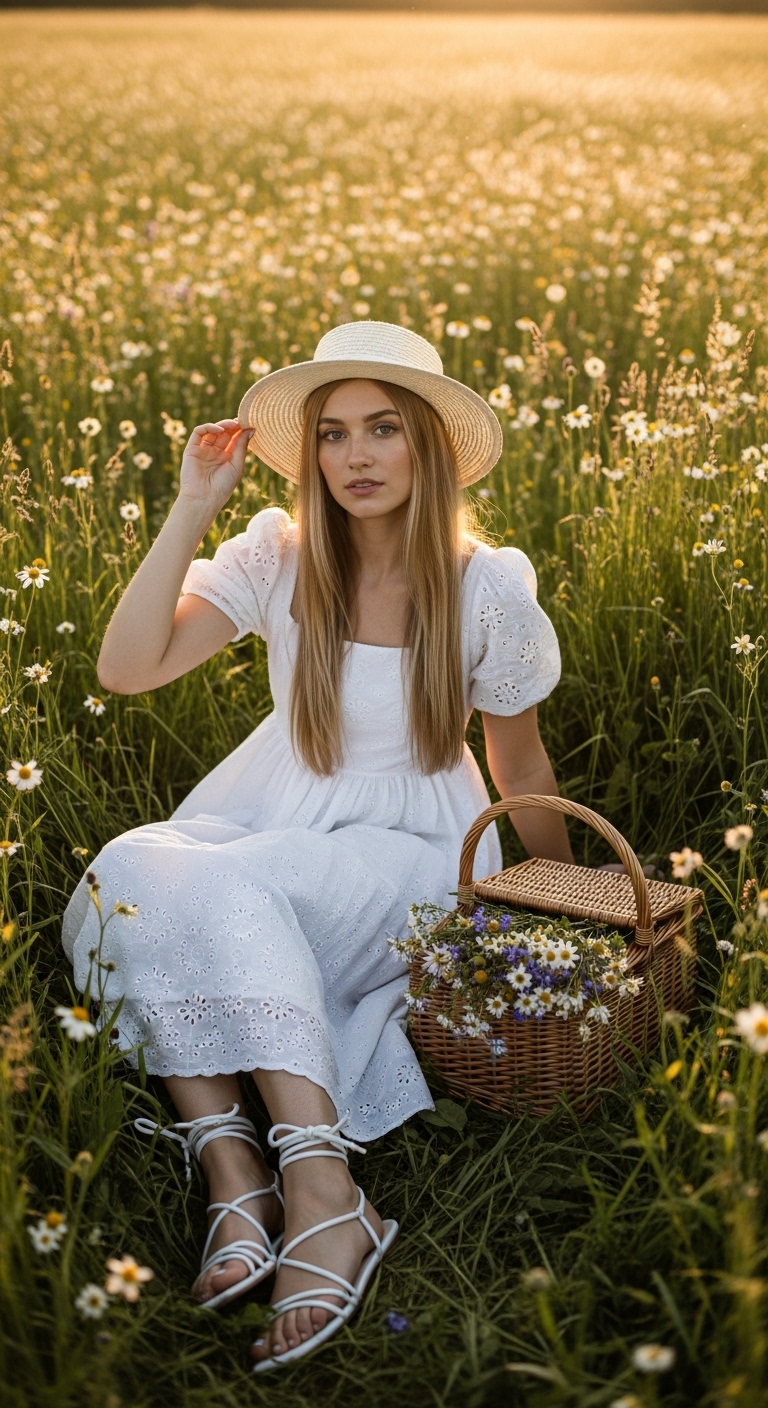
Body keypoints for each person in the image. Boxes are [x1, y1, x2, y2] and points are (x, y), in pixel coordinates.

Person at [62, 321, 574, 1371]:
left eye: (384, 428)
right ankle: (235, 1170)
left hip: (405, 845)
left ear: (431, 445)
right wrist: (192, 508)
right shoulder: (281, 555)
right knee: (127, 869)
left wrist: (569, 897)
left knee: (223, 887)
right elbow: (127, 667)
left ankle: (321, 1186)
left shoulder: (485, 587)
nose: (355, 456)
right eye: (333, 434)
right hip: (271, 813)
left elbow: (519, 764)